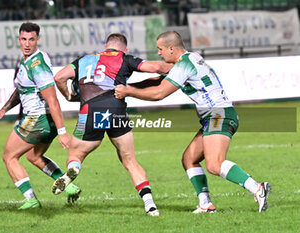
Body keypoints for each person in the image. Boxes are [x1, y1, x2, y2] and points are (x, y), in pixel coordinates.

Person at [114, 30, 271, 213]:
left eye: (160, 49)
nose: (159, 53)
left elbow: (159, 93)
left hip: (218, 114)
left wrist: (128, 92)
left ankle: (257, 188)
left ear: (171, 48)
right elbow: (157, 80)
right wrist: (128, 86)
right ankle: (205, 203)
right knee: (189, 159)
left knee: (214, 164)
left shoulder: (184, 65)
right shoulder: (190, 58)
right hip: (214, 116)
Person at [51, 33, 172, 216]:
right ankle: (150, 205)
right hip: (116, 109)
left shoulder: (84, 60)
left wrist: (70, 96)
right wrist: (179, 65)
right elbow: (156, 67)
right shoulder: (125, 58)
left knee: (76, 153)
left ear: (105, 45)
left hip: (89, 111)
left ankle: (74, 168)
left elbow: (59, 77)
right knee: (130, 161)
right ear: (125, 49)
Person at [0, 22, 81, 210]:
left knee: (9, 156)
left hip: (37, 118)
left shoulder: (36, 63)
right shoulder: (28, 60)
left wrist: (63, 132)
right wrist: (4, 109)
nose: (27, 43)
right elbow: (21, 90)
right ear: (19, 39)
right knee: (34, 155)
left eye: (31, 39)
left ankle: (31, 199)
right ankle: (68, 186)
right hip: (46, 120)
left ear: (37, 40)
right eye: (24, 39)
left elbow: (53, 99)